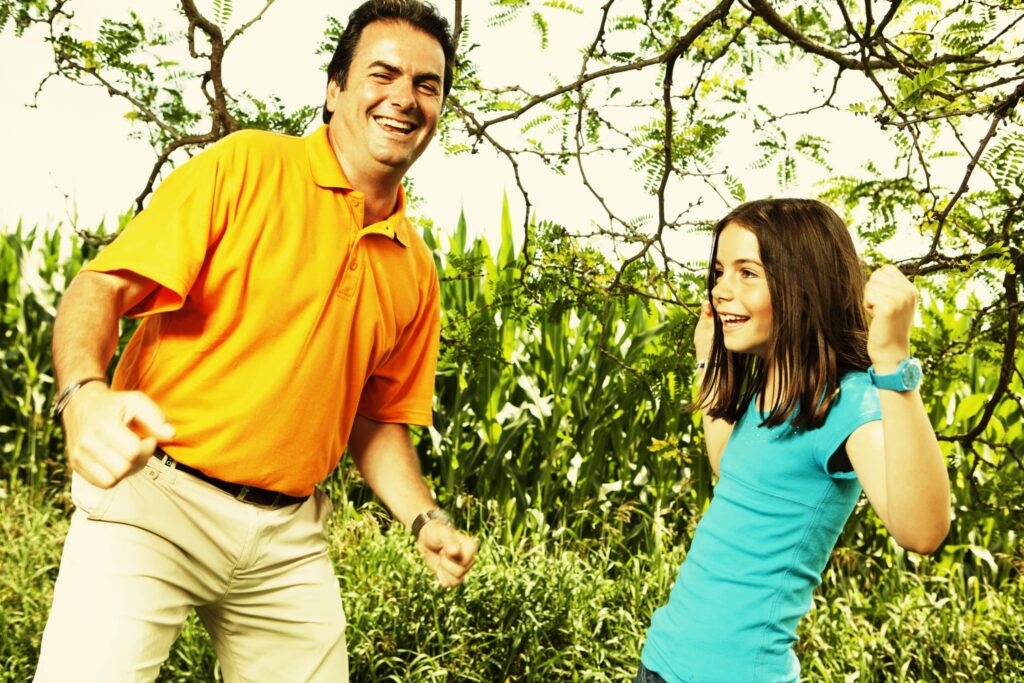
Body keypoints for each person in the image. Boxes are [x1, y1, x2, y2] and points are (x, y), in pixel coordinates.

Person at [35, 2, 479, 681]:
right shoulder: (246, 166)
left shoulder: (415, 268)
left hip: (286, 539)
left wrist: (425, 519)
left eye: (428, 84)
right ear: (334, 90)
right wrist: (84, 396)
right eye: (383, 73)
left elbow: (377, 419)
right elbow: (102, 287)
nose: (405, 97)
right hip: (154, 500)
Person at [637, 199, 951, 683]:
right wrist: (706, 360)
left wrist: (892, 362)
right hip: (662, 661)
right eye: (719, 272)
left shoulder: (848, 402)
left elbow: (922, 532)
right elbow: (731, 467)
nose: (720, 289)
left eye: (747, 273)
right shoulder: (772, 386)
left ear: (802, 286)